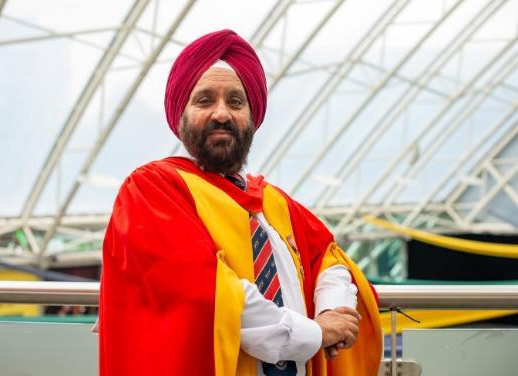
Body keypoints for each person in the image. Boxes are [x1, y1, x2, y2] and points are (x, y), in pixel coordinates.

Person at [99, 29, 382, 376]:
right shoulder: (153, 190)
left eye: (236, 102)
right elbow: (212, 296)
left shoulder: (274, 203)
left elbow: (329, 259)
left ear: (252, 116)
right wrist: (317, 333)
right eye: (204, 101)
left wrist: (333, 309)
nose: (221, 114)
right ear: (181, 114)